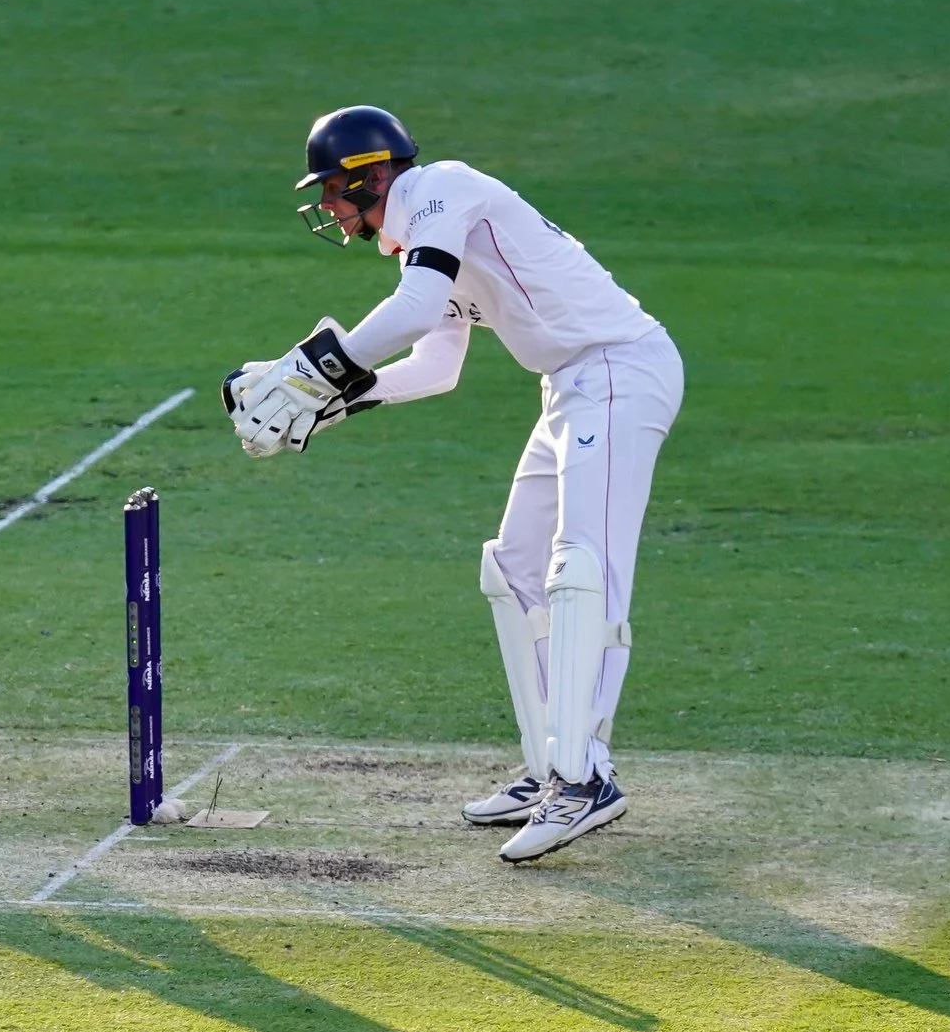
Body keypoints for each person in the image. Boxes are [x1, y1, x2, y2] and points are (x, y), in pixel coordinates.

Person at [226, 106, 684, 862]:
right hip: (571, 386)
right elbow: (437, 366)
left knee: (583, 570)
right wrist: (340, 402)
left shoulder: (442, 189)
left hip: (620, 371)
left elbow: (410, 313)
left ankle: (585, 780)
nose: (329, 206)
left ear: (373, 174)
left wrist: (313, 373)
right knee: (514, 568)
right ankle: (551, 765)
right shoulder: (423, 243)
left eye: (334, 189)